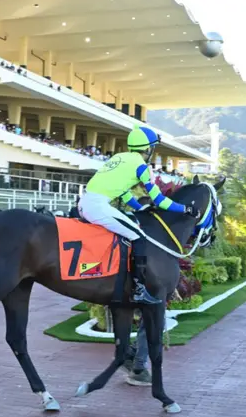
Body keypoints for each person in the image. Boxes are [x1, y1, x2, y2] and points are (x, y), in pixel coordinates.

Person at [78, 126, 200, 304]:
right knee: (139, 236)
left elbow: (124, 193)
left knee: (128, 231)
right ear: (148, 149)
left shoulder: (119, 157)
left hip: (85, 202)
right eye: (152, 148)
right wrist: (186, 209)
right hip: (97, 207)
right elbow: (159, 200)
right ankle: (139, 289)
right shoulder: (141, 167)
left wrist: (140, 208)